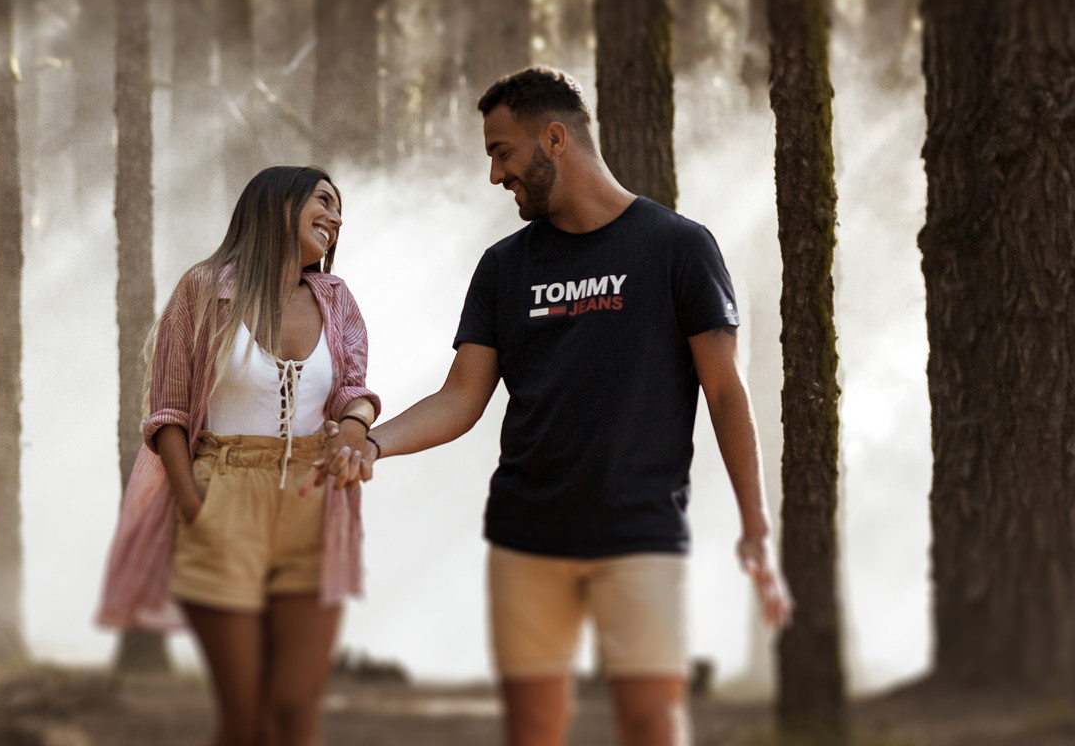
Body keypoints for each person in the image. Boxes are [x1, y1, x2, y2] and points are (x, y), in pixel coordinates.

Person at [316, 68, 793, 746]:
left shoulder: (678, 247)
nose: (494, 175)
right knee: (534, 731)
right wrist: (370, 444)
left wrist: (756, 527)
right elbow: (462, 396)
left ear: (555, 138)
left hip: (640, 532)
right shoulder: (503, 268)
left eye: (501, 151)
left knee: (653, 723)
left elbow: (724, 390)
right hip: (526, 537)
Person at [98, 166, 379, 746]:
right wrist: (195, 508)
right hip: (221, 495)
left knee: (296, 712)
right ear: (278, 203)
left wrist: (355, 425)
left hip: (314, 499)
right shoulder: (202, 289)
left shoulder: (336, 299)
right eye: (323, 201)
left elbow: (352, 388)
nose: (336, 216)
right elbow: (169, 412)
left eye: (339, 207)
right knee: (246, 718)